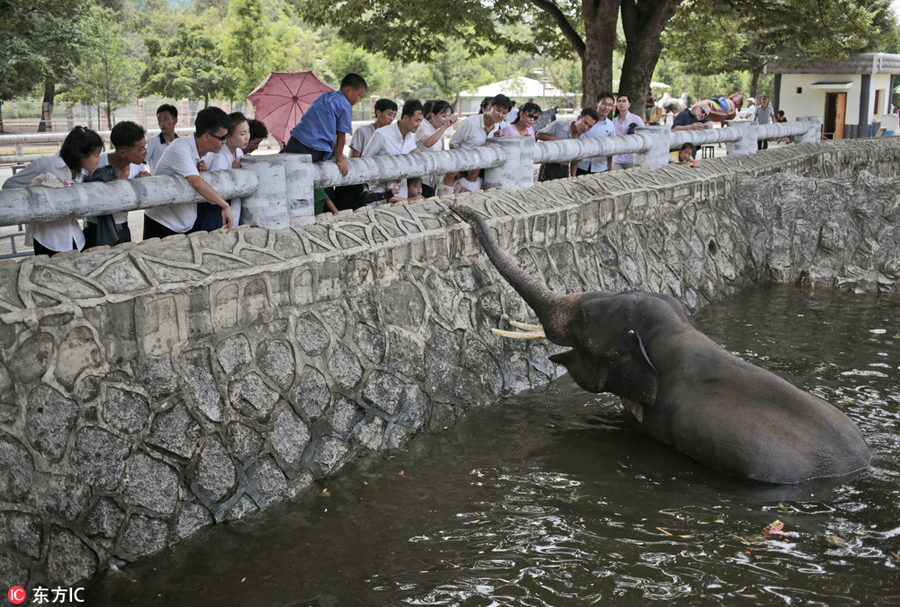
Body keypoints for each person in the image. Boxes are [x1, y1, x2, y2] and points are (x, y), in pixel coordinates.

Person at [3, 126, 103, 256]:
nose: (99, 160)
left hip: (75, 237)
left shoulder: (81, 172)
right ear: (80, 155)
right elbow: (9, 185)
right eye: (96, 155)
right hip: (48, 240)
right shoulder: (46, 165)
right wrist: (37, 194)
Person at [143, 106, 234, 239]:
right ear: (207, 136)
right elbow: (197, 183)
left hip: (186, 222)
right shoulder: (180, 147)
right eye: (222, 137)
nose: (224, 141)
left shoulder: (208, 153)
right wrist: (224, 205)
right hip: (162, 222)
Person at [285, 73, 368, 177]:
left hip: (294, 141)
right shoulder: (345, 104)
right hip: (313, 149)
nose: (358, 99)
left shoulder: (326, 96)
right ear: (349, 91)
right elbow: (341, 135)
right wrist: (339, 159)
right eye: (359, 95)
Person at [83, 121, 150, 249]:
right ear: (123, 152)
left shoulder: (138, 167)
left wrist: (143, 182)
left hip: (123, 228)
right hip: (95, 230)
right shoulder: (96, 163)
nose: (145, 153)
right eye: (141, 149)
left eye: (145, 147)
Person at [196, 111, 250, 230]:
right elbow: (216, 186)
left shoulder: (239, 152)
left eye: (248, 132)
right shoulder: (218, 155)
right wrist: (236, 174)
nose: (247, 137)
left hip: (233, 207)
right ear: (228, 136)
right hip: (217, 211)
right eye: (242, 134)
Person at [362, 98, 423, 201]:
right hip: (379, 196)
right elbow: (365, 161)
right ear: (405, 118)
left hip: (401, 193)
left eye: (421, 121)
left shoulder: (411, 136)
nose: (419, 124)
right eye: (417, 120)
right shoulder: (382, 134)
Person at [536, 107, 600, 181]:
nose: (585, 127)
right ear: (579, 118)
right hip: (548, 166)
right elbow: (539, 135)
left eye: (590, 126)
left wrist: (572, 178)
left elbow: (575, 161)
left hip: (564, 169)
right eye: (585, 122)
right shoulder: (558, 125)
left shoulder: (582, 140)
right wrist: (557, 140)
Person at [416, 100, 458, 197]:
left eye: (449, 116)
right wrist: (445, 127)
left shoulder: (440, 127)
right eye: (443, 116)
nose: (446, 120)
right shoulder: (423, 126)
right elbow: (428, 143)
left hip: (435, 176)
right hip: (422, 179)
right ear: (433, 116)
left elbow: (442, 150)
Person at [576, 92, 615, 176]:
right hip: (581, 165)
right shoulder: (584, 120)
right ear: (597, 103)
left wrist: (610, 168)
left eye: (610, 105)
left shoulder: (610, 125)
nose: (606, 107)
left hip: (600, 167)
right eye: (604, 103)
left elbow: (611, 148)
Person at [611, 93, 645, 170]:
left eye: (624, 101)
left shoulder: (636, 119)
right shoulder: (614, 121)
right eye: (619, 101)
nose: (621, 103)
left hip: (632, 158)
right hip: (617, 159)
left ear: (629, 104)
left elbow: (644, 135)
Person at [146, 104, 178, 173]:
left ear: (175, 121)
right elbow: (139, 162)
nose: (162, 123)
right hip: (160, 182)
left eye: (165, 119)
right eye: (159, 120)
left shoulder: (182, 142)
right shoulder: (152, 142)